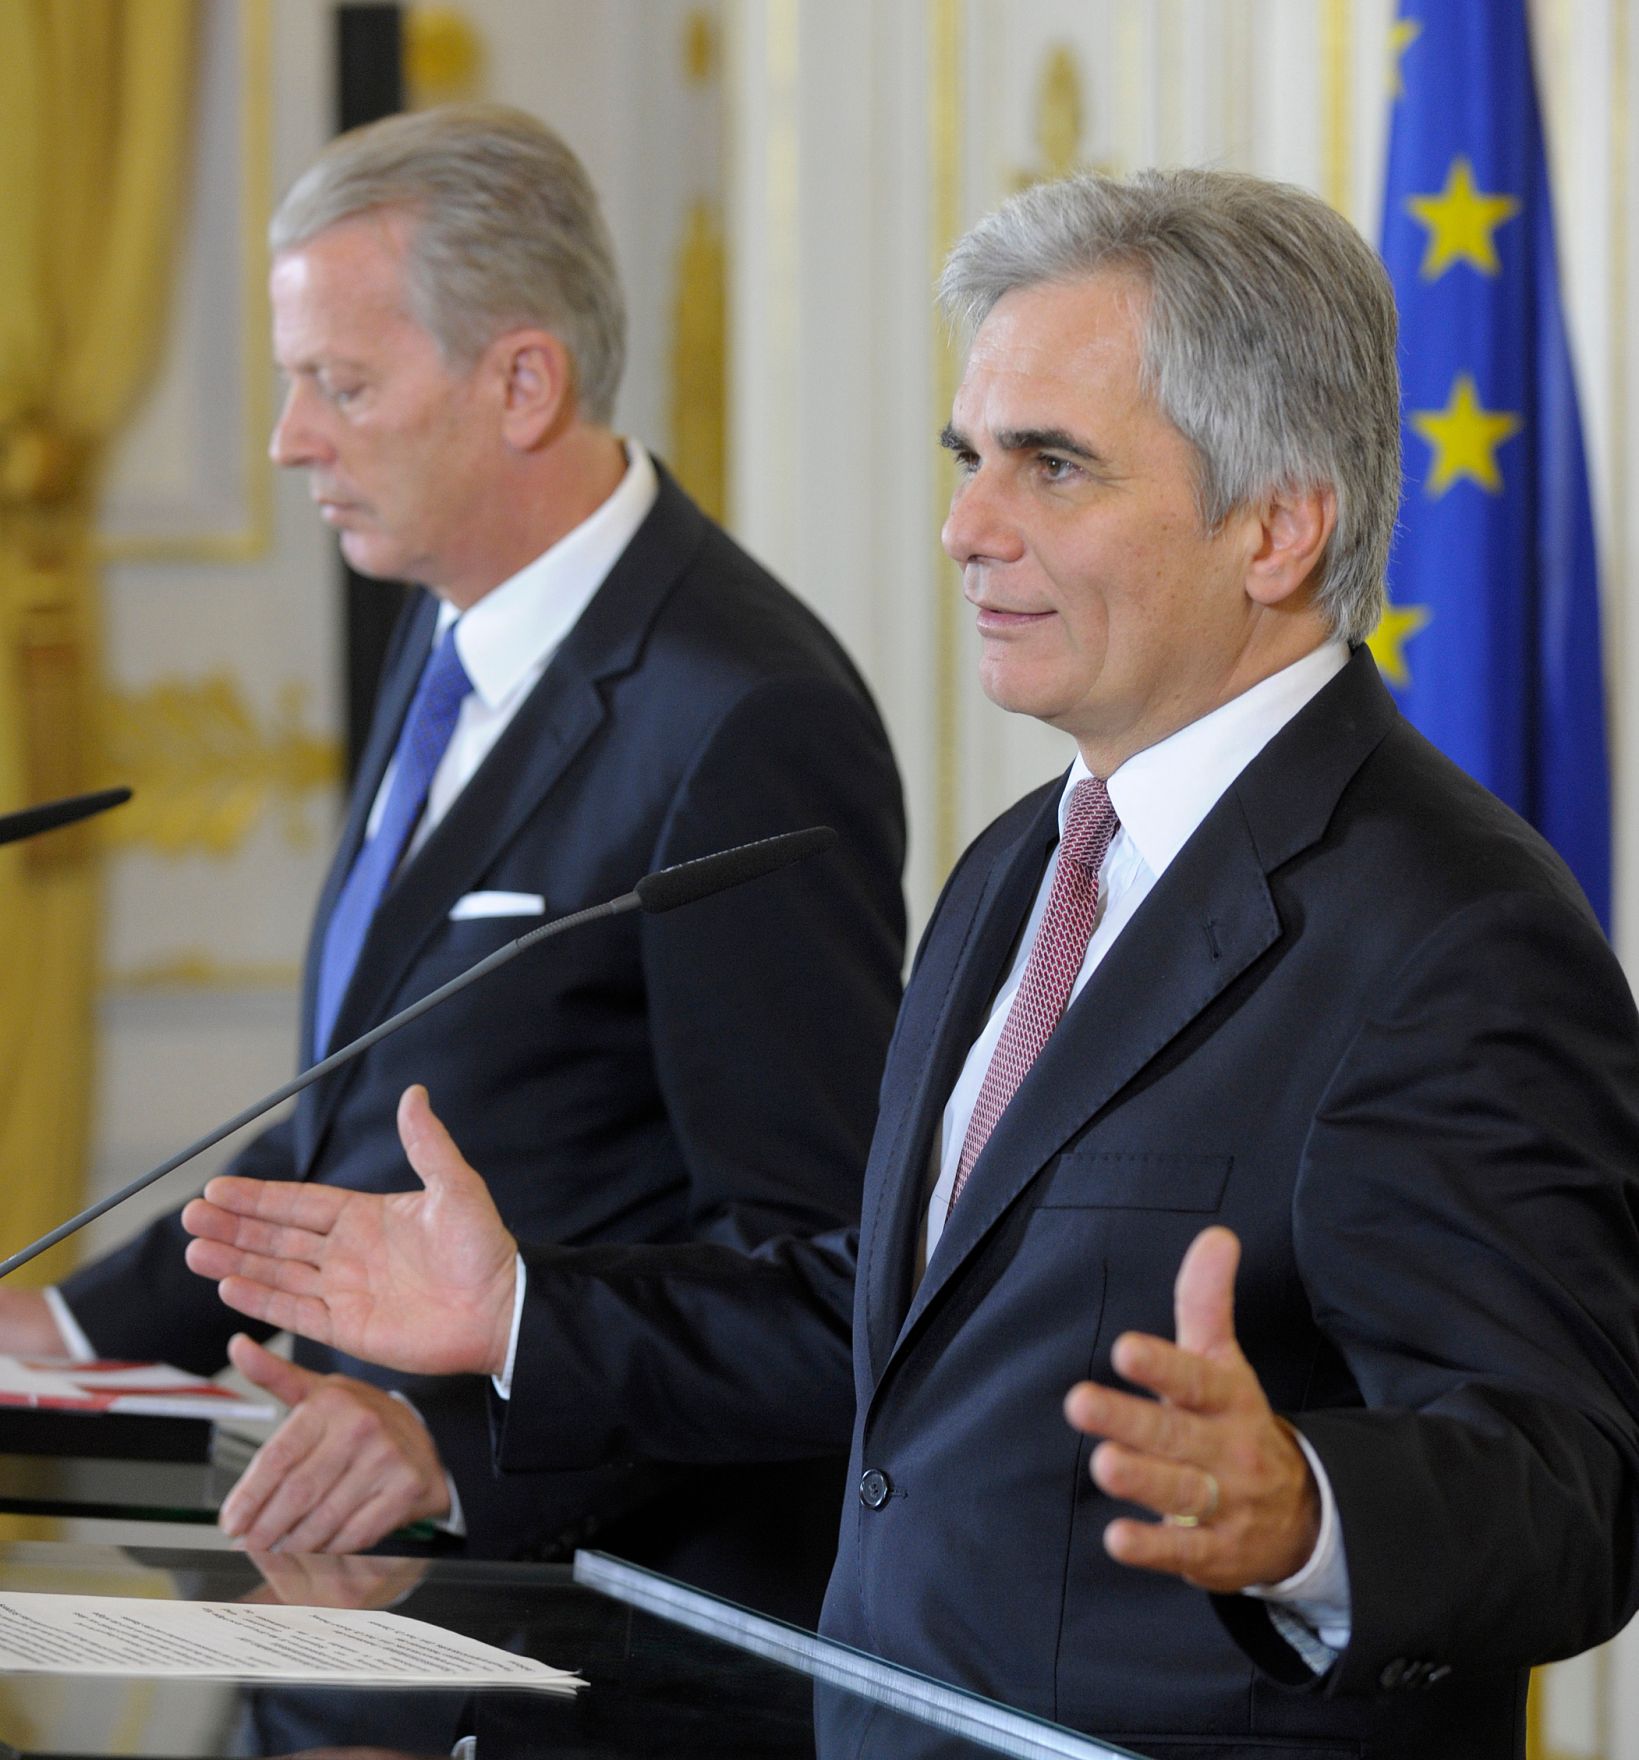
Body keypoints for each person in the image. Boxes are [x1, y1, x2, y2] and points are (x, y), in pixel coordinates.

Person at [182, 166, 1639, 1759]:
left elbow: (1574, 1487)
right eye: (968, 459)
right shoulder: (1021, 866)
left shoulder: (1453, 932)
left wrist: (1305, 1510)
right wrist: (528, 1310)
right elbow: (880, 1327)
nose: (967, 528)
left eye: (1050, 466)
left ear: (1280, 526)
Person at [0, 104, 906, 1622]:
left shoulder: (748, 717)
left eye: (341, 384)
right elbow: (357, 1120)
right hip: (350, 1591)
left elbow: (822, 1273)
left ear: (523, 383)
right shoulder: (448, 617)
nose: (290, 438)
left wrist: (456, 1445)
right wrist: (74, 1334)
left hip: (585, 1624)